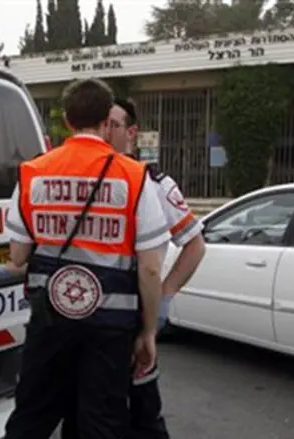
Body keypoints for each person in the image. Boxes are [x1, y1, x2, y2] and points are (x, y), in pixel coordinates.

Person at [0, 78, 171, 439]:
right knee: (101, 423)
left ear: (67, 121)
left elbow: (18, 255)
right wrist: (149, 330)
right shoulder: (134, 176)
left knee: (31, 416)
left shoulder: (33, 172)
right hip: (109, 328)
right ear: (107, 121)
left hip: (50, 322)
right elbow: (151, 269)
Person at [61, 97, 207, 439]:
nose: (105, 131)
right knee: (81, 411)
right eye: (102, 122)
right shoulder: (74, 179)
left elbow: (195, 245)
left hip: (129, 316)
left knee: (141, 410)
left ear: (131, 132)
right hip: (79, 313)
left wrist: (164, 299)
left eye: (113, 124)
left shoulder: (153, 183)